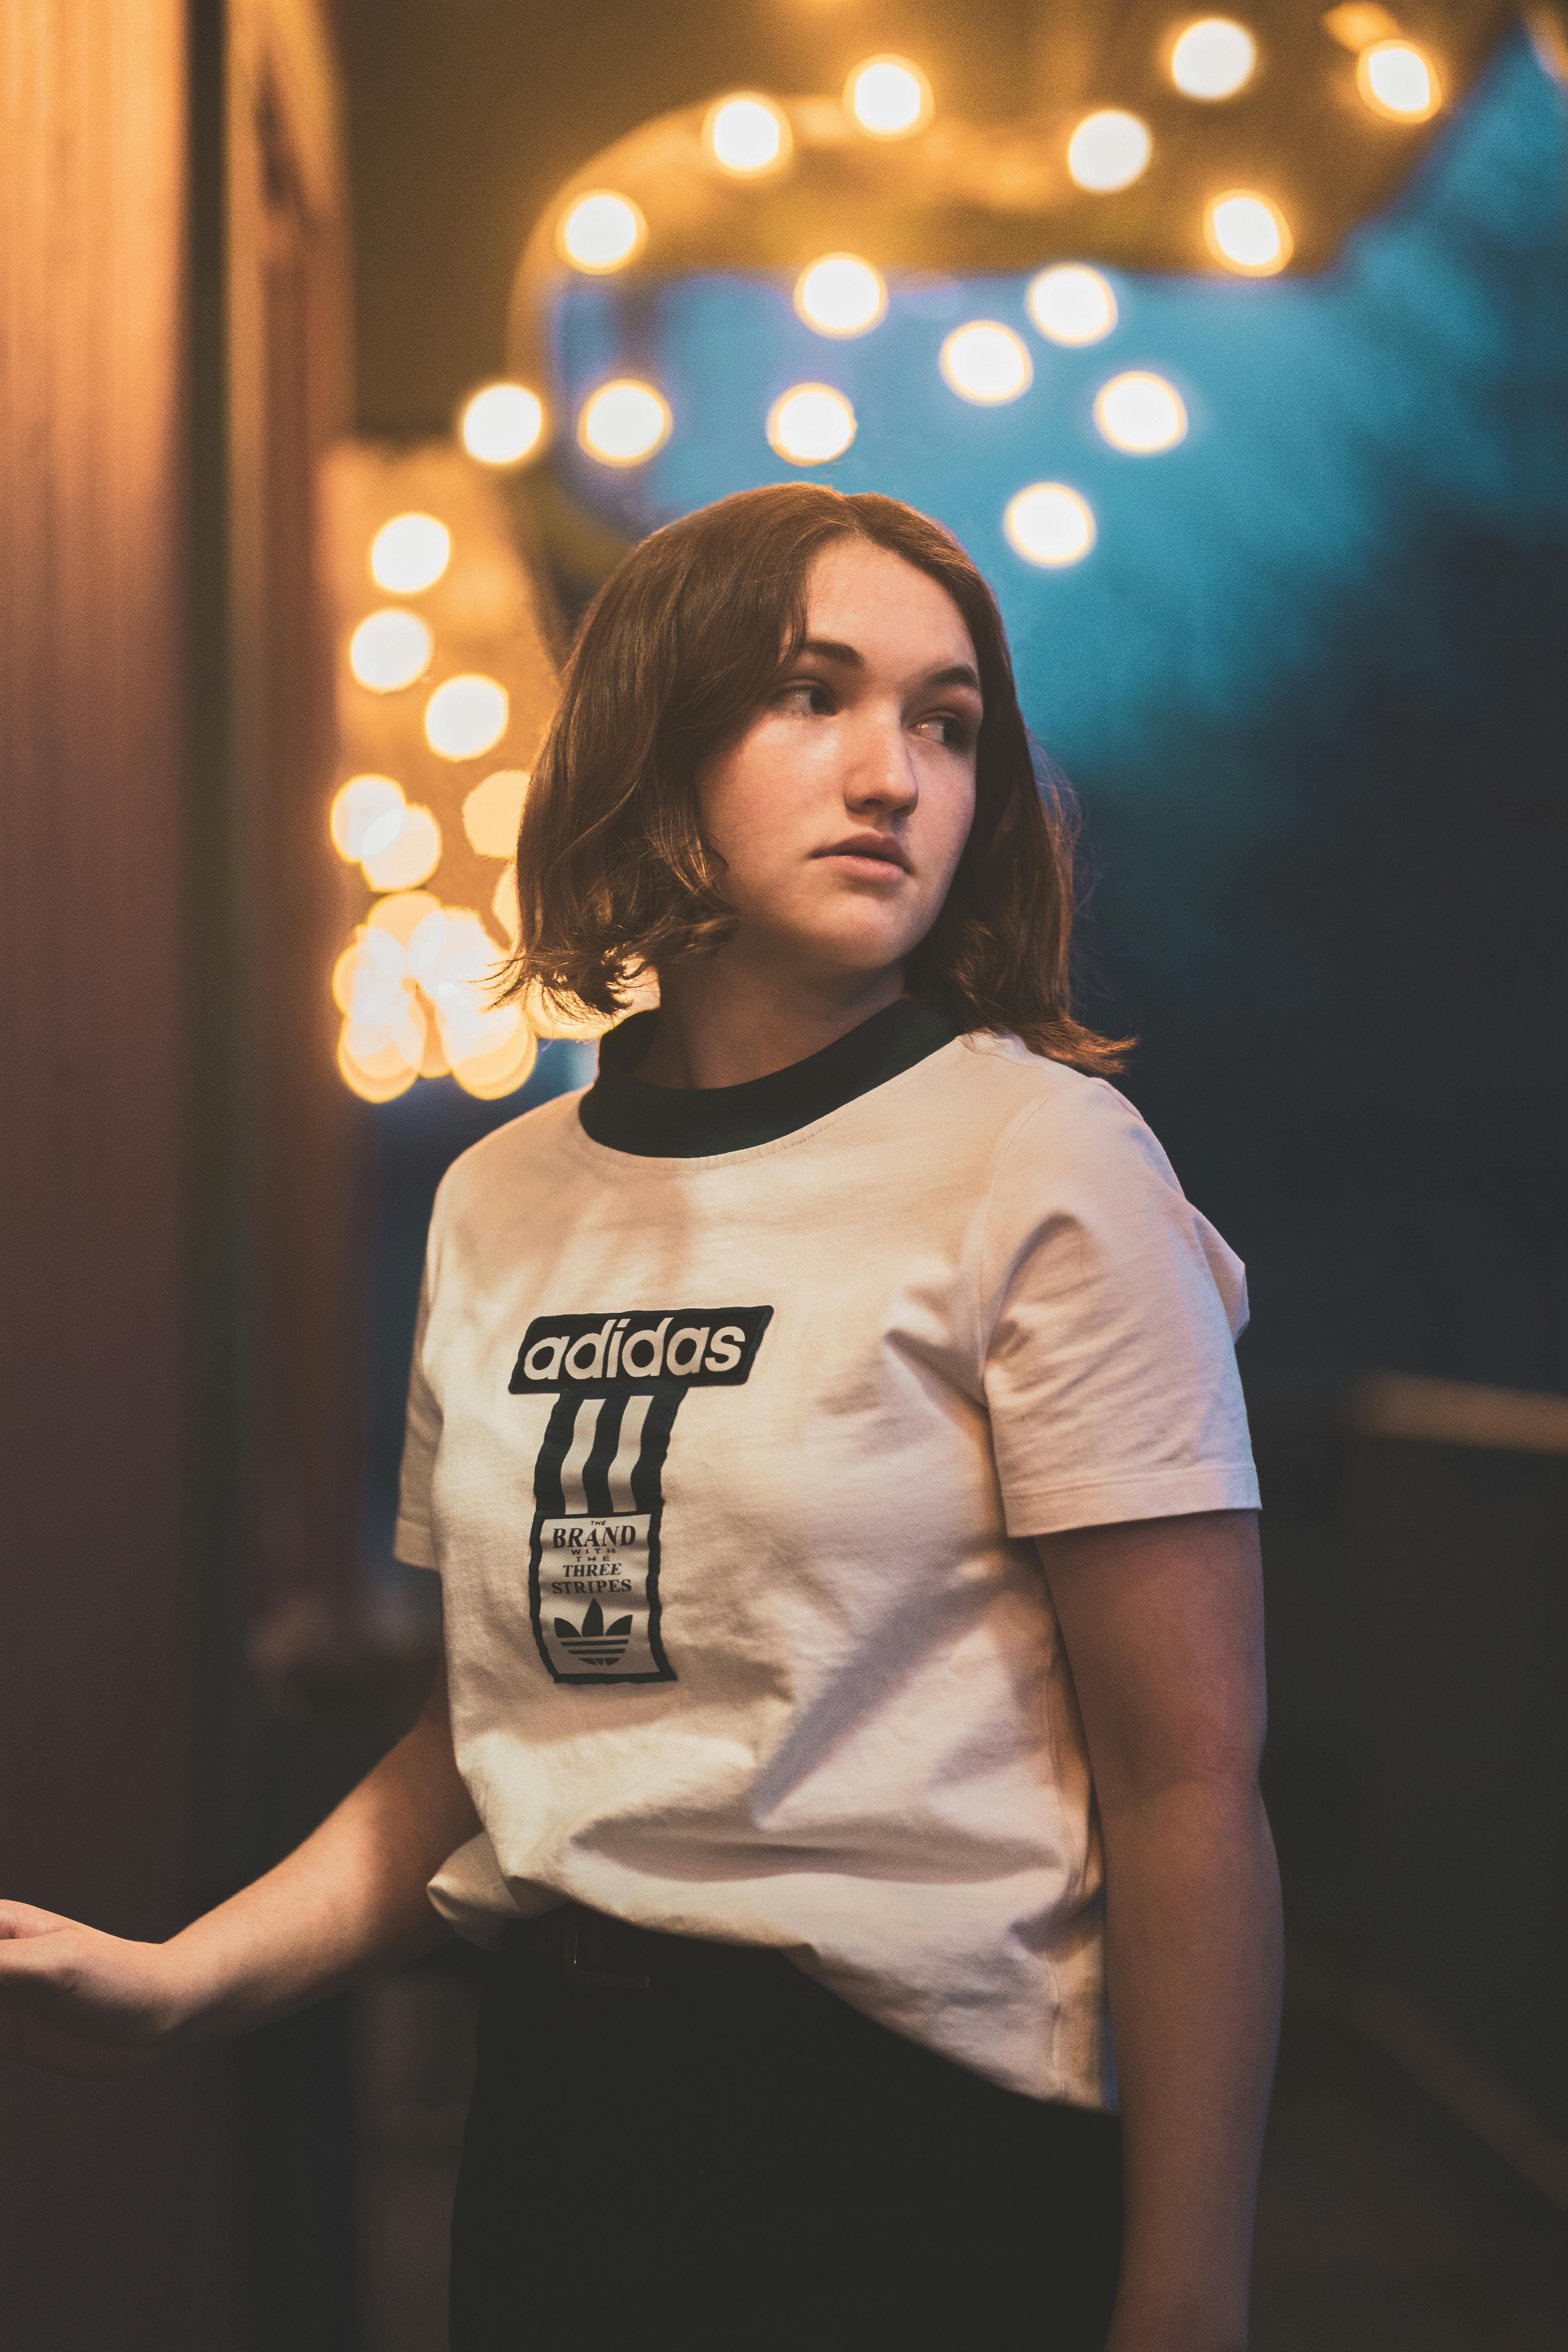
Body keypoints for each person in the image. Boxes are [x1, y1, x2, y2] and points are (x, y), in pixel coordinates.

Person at [0, 485, 1281, 2351]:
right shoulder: (503, 1200)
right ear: (653, 747)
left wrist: (1189, 2289)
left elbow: (1189, 1783)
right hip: (562, 2153)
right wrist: (189, 1976)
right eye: (810, 696)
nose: (893, 772)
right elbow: (512, 1738)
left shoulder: (1039, 1159)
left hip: (924, 2161)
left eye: (944, 721)